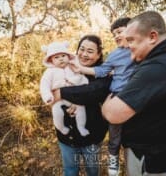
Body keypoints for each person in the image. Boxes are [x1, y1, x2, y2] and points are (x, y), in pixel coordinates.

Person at [102, 11, 166, 176]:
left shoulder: (158, 67)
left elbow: (113, 114)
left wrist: (107, 102)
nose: (127, 45)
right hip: (153, 147)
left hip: (150, 157)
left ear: (152, 36)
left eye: (131, 40)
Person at [71, 17, 136, 176]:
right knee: (114, 130)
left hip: (135, 95)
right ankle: (113, 156)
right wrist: (80, 69)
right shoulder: (115, 55)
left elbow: (157, 49)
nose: (116, 36)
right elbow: (101, 70)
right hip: (117, 95)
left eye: (119, 31)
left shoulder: (142, 49)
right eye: (114, 34)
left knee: (133, 131)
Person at [52, 35, 111, 176]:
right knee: (70, 170)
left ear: (98, 55)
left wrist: (62, 92)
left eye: (90, 51)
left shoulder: (103, 74)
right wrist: (64, 102)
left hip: (91, 137)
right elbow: (50, 91)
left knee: (92, 170)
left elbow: (91, 92)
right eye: (82, 49)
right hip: (67, 137)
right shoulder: (65, 67)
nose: (84, 54)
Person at [40, 41, 90, 137]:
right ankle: (61, 127)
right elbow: (44, 85)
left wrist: (84, 83)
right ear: (51, 60)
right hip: (58, 99)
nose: (61, 59)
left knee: (81, 109)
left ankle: (81, 127)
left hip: (74, 97)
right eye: (56, 57)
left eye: (63, 55)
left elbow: (81, 78)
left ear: (68, 56)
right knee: (56, 112)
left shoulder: (72, 67)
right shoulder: (49, 72)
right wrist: (48, 96)